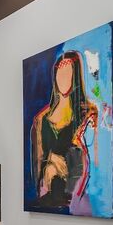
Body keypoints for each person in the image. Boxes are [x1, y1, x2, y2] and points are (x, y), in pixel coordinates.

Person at [30, 51, 99, 211]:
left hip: (74, 192)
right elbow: (39, 159)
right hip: (48, 192)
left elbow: (91, 158)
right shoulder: (42, 119)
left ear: (76, 76)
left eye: (68, 74)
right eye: (60, 74)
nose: (63, 79)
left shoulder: (87, 112)